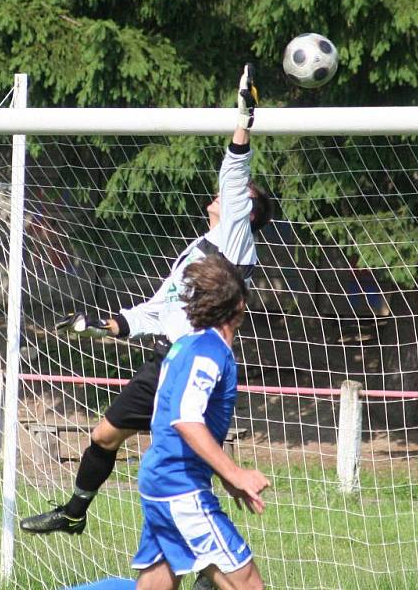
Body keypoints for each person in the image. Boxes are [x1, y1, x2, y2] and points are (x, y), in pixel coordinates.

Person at [21, 63, 272, 536]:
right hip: (165, 359)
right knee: (103, 435)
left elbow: (236, 170)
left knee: (191, 461)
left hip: (196, 361)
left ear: (245, 210)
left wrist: (244, 115)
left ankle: (212, 567)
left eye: (231, 196)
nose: (218, 197)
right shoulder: (199, 249)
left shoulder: (236, 239)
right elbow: (159, 307)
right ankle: (75, 512)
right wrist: (111, 323)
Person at [131, 253, 269, 590]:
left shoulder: (185, 346)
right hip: (180, 487)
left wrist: (223, 475)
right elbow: (186, 418)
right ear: (239, 305)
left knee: (158, 577)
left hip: (159, 479)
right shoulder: (209, 352)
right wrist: (235, 472)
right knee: (246, 582)